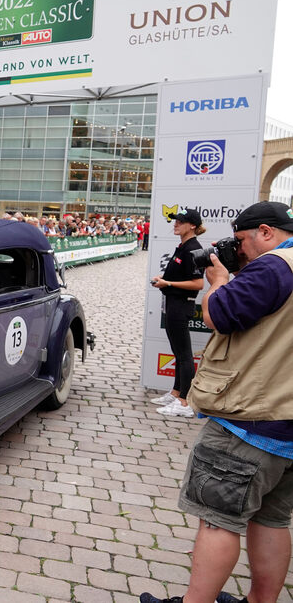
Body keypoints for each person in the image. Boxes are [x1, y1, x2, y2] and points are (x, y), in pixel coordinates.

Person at [140, 201, 293, 603]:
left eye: (243, 240)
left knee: (217, 521)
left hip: (251, 419)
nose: (241, 250)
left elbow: (219, 315)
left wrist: (219, 280)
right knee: (272, 520)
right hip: (288, 423)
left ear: (265, 231)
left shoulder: (276, 266)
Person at [149, 208, 205, 417]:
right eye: (175, 221)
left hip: (181, 306)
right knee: (178, 352)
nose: (175, 224)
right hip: (173, 304)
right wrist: (163, 280)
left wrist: (168, 282)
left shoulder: (194, 249)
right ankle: (176, 393)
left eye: (180, 221)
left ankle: (185, 402)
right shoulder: (182, 247)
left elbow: (198, 283)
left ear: (192, 226)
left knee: (184, 355)